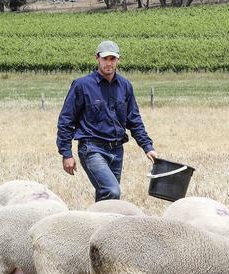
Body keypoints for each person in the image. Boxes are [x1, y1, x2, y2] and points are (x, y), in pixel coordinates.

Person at [56, 40, 158, 201]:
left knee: (109, 200)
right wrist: (66, 153)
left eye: (113, 59)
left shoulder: (125, 86)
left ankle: (98, 226)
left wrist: (147, 146)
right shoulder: (82, 85)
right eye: (105, 59)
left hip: (117, 150)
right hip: (92, 149)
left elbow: (134, 119)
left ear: (118, 60)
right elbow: (66, 120)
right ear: (97, 58)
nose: (109, 63)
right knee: (112, 190)